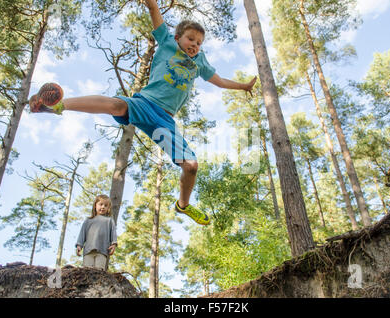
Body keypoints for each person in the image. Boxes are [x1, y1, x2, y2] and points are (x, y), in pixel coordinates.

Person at [29, 0, 257, 226]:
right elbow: (153, 9)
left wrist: (243, 86)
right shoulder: (167, 41)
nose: (194, 45)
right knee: (117, 105)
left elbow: (219, 81)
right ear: (178, 38)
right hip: (145, 103)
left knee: (191, 166)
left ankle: (183, 206)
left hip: (164, 120)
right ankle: (58, 106)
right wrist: (151, 4)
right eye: (190, 39)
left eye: (199, 43)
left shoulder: (200, 63)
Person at [76, 194, 118, 271]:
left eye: (106, 205)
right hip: (88, 251)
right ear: (95, 205)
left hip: (102, 250)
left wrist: (114, 244)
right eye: (101, 204)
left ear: (108, 208)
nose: (103, 207)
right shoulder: (88, 221)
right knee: (87, 271)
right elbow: (82, 233)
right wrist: (79, 245)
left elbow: (113, 233)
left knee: (99, 271)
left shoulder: (109, 221)